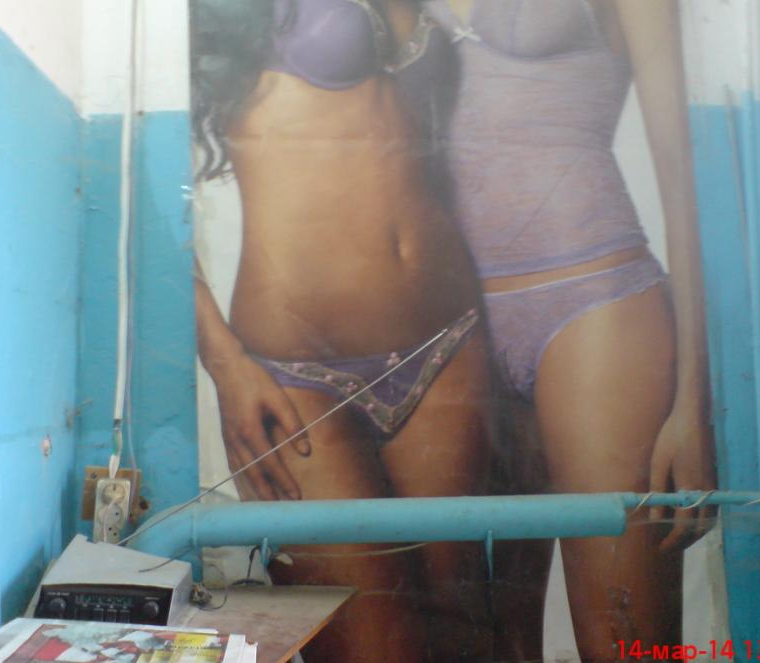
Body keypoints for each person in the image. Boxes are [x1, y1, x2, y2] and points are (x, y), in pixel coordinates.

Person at [190, 1, 495, 660]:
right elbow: (145, 186)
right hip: (291, 378)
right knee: (376, 650)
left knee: (459, 637)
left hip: (446, 344)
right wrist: (225, 363)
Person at [422, 0, 717, 659]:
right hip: (453, 327)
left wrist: (694, 402)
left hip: (592, 309)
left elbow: (685, 179)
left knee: (625, 643)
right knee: (488, 647)